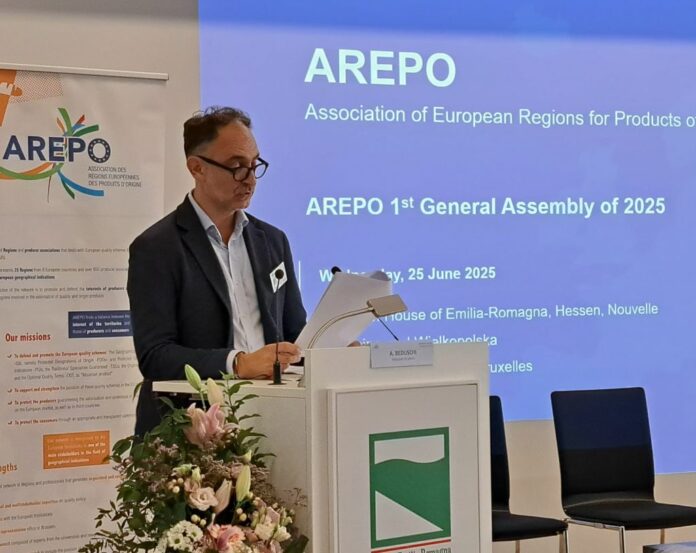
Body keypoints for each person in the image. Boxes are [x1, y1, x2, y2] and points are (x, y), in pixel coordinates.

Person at [127, 107, 306, 436]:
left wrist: (332, 349)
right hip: (188, 430)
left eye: (255, 165)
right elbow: (155, 355)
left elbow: (294, 332)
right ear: (197, 168)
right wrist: (238, 363)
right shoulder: (157, 247)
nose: (250, 179)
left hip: (271, 421)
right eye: (237, 166)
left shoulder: (272, 241)